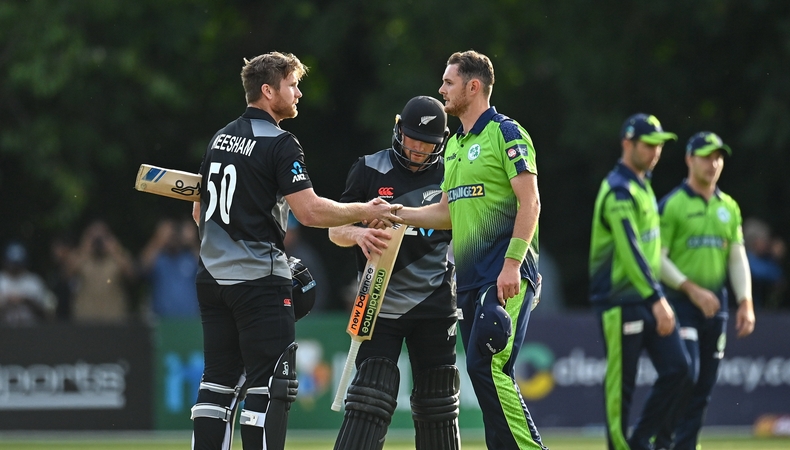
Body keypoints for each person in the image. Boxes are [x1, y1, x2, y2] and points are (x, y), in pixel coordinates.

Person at [188, 51, 401, 450]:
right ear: (269, 91)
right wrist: (365, 209)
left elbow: (200, 211)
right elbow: (310, 211)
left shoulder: (219, 138)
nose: (299, 93)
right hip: (258, 281)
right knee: (271, 386)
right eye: (292, 85)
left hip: (211, 278)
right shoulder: (280, 143)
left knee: (216, 383)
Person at [397, 50, 547, 450]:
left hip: (504, 276)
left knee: (489, 366)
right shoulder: (454, 146)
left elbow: (530, 202)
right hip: (469, 281)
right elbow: (446, 213)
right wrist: (397, 215)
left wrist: (513, 264)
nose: (441, 89)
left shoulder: (505, 133)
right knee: (485, 377)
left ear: (473, 86)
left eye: (448, 82)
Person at [329, 96, 460, 450]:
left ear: (443, 141)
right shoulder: (369, 168)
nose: (417, 150)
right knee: (371, 396)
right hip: (377, 301)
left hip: (435, 303)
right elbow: (334, 228)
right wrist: (358, 233)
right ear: (398, 128)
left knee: (438, 403)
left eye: (427, 144)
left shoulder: (453, 170)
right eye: (412, 139)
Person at [588, 113, 691, 450]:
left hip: (647, 297)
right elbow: (631, 253)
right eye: (649, 145)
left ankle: (642, 441)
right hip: (620, 302)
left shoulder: (642, 185)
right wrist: (657, 298)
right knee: (622, 388)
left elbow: (649, 254)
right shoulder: (618, 190)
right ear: (628, 143)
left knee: (679, 370)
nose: (656, 152)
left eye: (659, 146)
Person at [654, 131, 756, 449]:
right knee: (687, 374)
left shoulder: (729, 207)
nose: (713, 163)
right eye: (706, 156)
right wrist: (691, 288)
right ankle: (663, 440)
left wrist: (745, 301)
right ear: (689, 159)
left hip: (717, 306)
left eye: (718, 157)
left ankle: (686, 445)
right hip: (681, 303)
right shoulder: (673, 205)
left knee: (704, 387)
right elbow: (657, 258)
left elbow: (737, 257)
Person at [68, 220, 137, 323]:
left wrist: (115, 251)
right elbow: (67, 274)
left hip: (114, 318)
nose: (98, 241)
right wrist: (85, 250)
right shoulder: (79, 256)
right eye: (93, 236)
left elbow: (132, 275)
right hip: (85, 318)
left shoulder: (118, 256)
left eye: (102, 236)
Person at [140, 218, 200, 319]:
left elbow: (210, 271)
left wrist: (192, 242)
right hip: (162, 321)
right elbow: (141, 268)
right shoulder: (159, 259)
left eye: (176, 233)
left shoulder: (190, 257)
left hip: (190, 322)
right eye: (170, 234)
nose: (173, 237)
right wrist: (158, 240)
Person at [0, 241, 56, 326]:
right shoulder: (1, 280)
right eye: (12, 263)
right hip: (4, 332)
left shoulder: (34, 281)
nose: (14, 267)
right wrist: (7, 301)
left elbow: (49, 311)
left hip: (31, 332)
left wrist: (26, 300)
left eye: (17, 263)